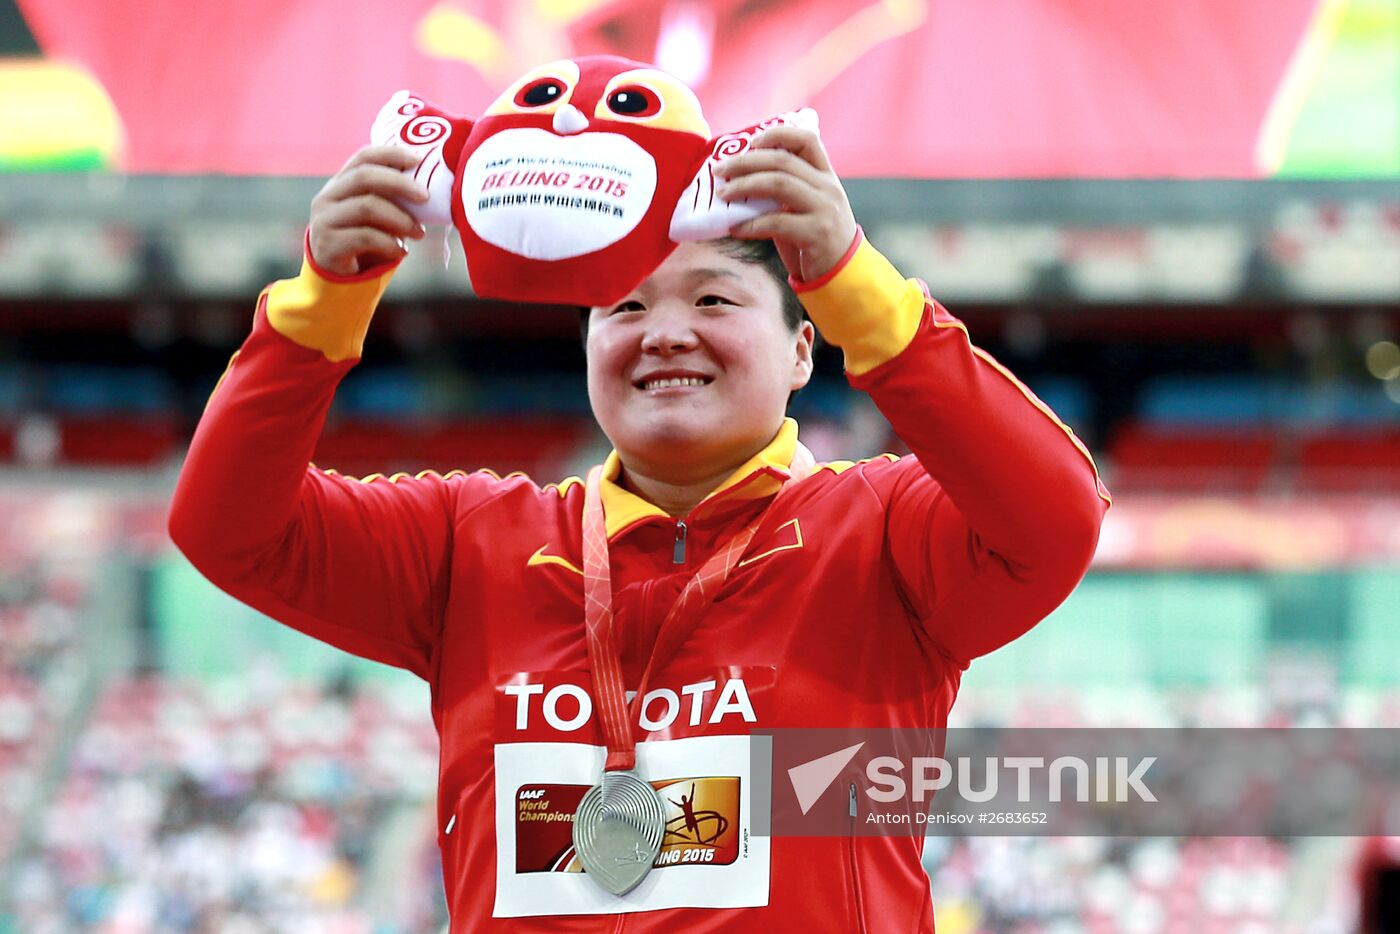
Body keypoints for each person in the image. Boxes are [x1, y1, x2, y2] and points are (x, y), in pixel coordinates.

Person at [169, 125, 1110, 930]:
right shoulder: (470, 540)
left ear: (801, 347)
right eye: (623, 307)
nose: (663, 332)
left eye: (711, 299)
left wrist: (856, 279)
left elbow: (1057, 517)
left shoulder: (882, 530)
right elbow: (227, 527)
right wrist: (320, 300)